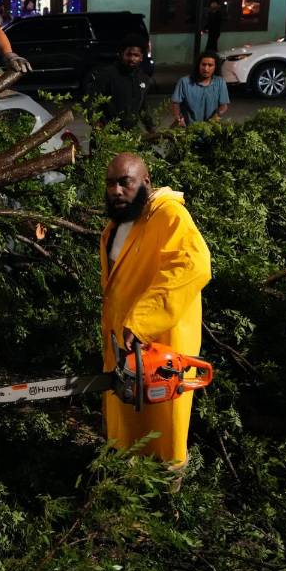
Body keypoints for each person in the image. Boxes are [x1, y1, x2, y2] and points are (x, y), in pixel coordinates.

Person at [100, 153, 212, 464]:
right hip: (124, 343)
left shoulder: (169, 215)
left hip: (161, 346)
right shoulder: (118, 224)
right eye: (110, 184)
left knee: (164, 435)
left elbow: (192, 265)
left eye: (125, 182)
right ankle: (125, 479)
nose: (116, 191)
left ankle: (167, 487)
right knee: (127, 425)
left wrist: (142, 322)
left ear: (146, 182)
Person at [87, 33, 155, 132]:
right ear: (121, 54)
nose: (132, 59)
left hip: (130, 135)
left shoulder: (144, 79)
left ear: (141, 57)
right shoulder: (107, 75)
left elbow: (143, 107)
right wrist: (97, 125)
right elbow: (90, 102)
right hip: (106, 133)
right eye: (128, 54)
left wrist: (151, 128)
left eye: (136, 55)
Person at [171, 52, 230, 126]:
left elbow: (223, 106)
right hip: (188, 127)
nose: (206, 68)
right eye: (203, 64)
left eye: (210, 65)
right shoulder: (184, 82)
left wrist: (215, 117)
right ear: (198, 65)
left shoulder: (220, 82)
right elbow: (175, 103)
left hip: (211, 126)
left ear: (215, 67)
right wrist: (179, 118)